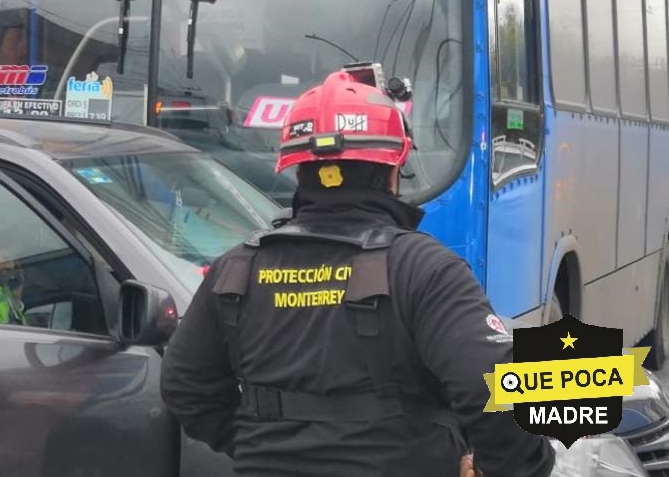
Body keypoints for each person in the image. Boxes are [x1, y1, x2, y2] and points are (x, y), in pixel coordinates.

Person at [159, 68, 555, 477]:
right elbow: (496, 387)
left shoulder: (236, 269)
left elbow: (185, 387)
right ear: (393, 169)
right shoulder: (423, 268)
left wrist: (258, 444)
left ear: (298, 171)